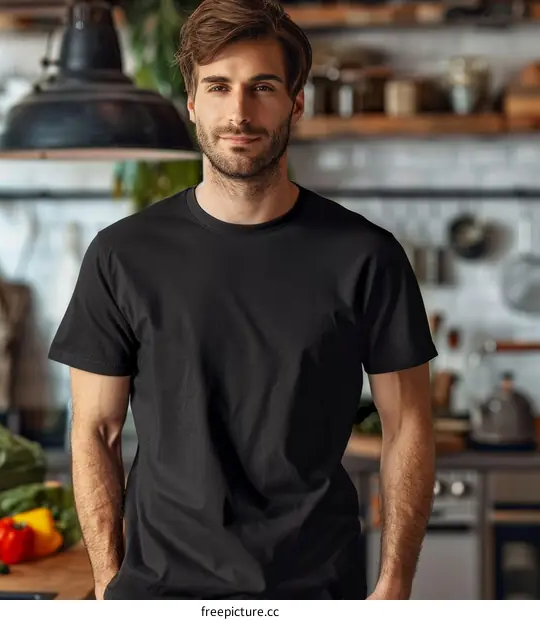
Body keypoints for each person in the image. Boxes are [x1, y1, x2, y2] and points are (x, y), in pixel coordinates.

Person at [48, 0, 437, 601]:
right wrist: (107, 582)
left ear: (296, 101)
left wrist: (394, 586)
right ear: (193, 102)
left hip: (315, 588)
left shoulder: (367, 256)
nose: (239, 111)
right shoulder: (121, 255)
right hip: (160, 591)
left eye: (262, 86)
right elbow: (94, 431)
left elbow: (408, 424)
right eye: (219, 86)